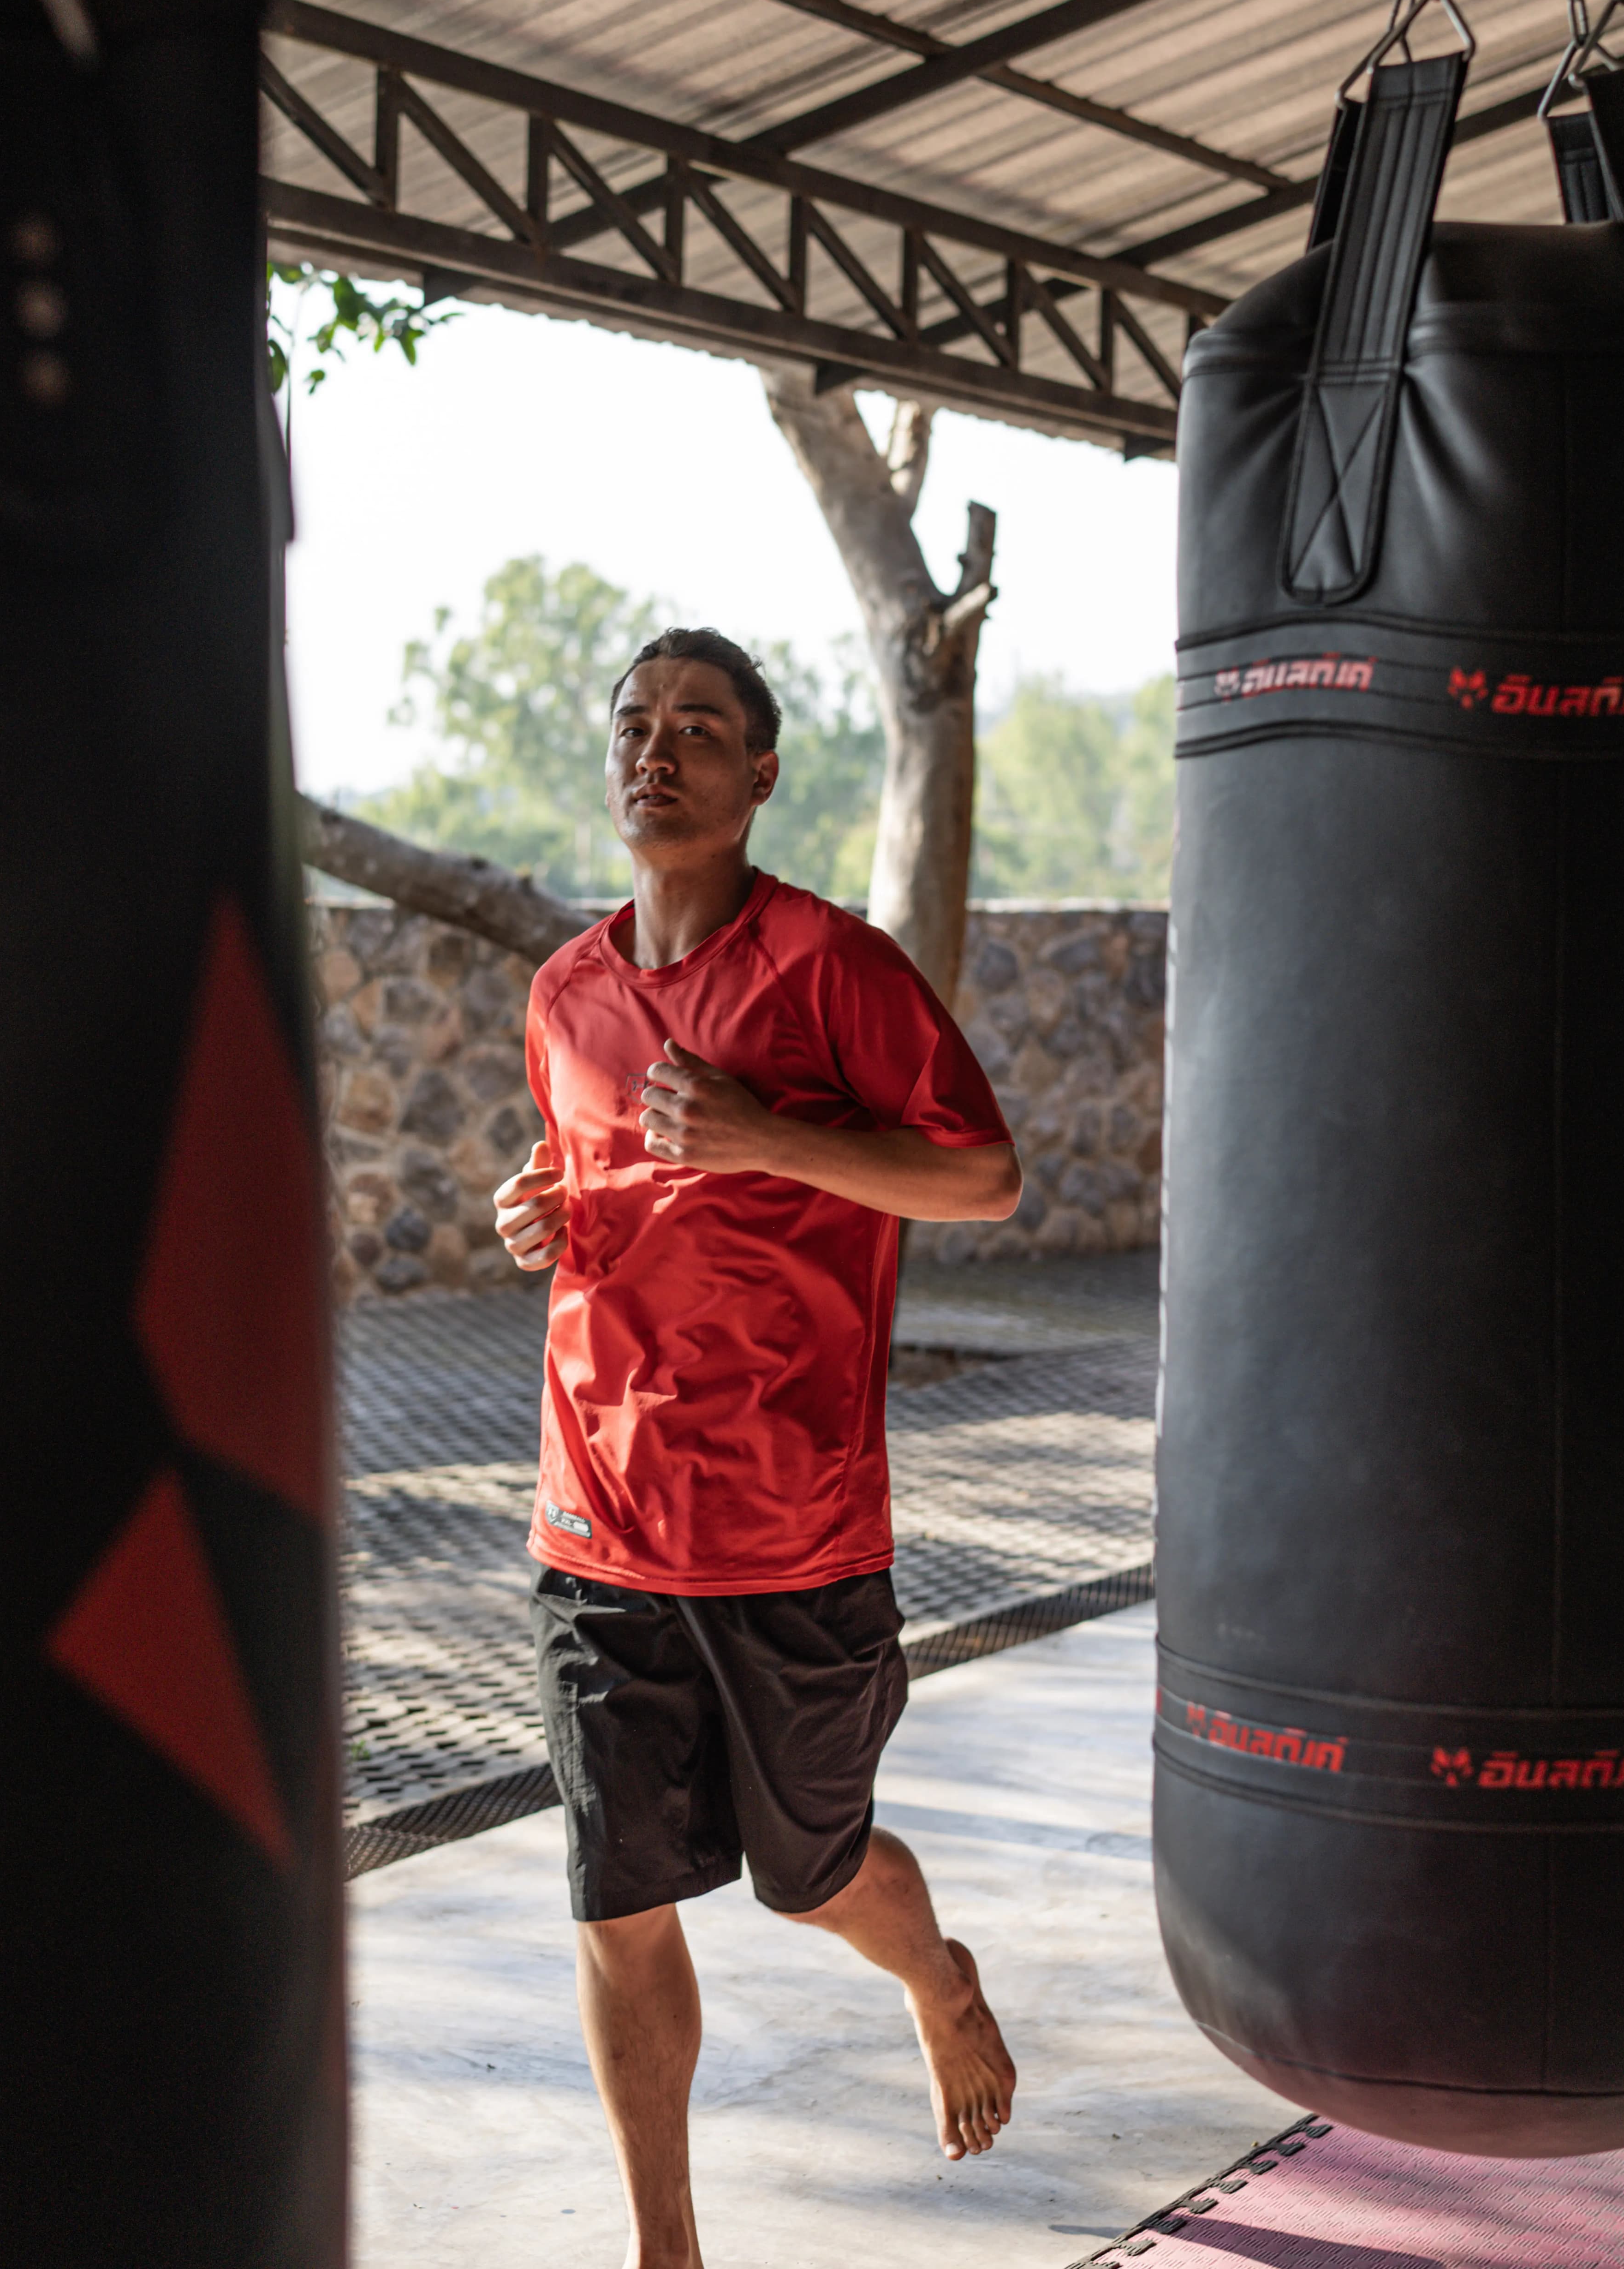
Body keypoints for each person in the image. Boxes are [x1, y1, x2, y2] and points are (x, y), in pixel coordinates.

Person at [494, 625, 1022, 2269]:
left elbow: (983, 1178)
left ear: (761, 778)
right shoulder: (566, 993)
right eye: (638, 723)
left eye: (701, 728)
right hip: (595, 1520)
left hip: (792, 1533)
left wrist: (769, 1134)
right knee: (619, 1896)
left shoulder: (833, 968)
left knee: (808, 1877)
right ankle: (668, 2246)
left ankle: (937, 1978)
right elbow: (598, 1185)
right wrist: (542, 1214)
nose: (660, 750)